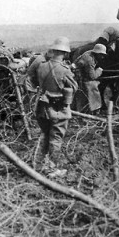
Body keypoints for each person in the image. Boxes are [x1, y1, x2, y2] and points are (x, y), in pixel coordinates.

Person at [31, 37, 78, 177]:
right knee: (56, 137)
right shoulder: (65, 70)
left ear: (53, 50)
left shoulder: (41, 66)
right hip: (58, 109)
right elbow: (74, 87)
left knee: (45, 134)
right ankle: (53, 169)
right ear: (65, 53)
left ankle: (38, 164)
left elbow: (34, 82)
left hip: (41, 107)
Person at [73, 44, 107, 114]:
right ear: (97, 53)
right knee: (93, 86)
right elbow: (92, 76)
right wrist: (99, 70)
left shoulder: (90, 53)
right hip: (79, 77)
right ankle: (95, 109)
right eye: (101, 55)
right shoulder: (89, 60)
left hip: (79, 74)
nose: (103, 57)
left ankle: (85, 109)